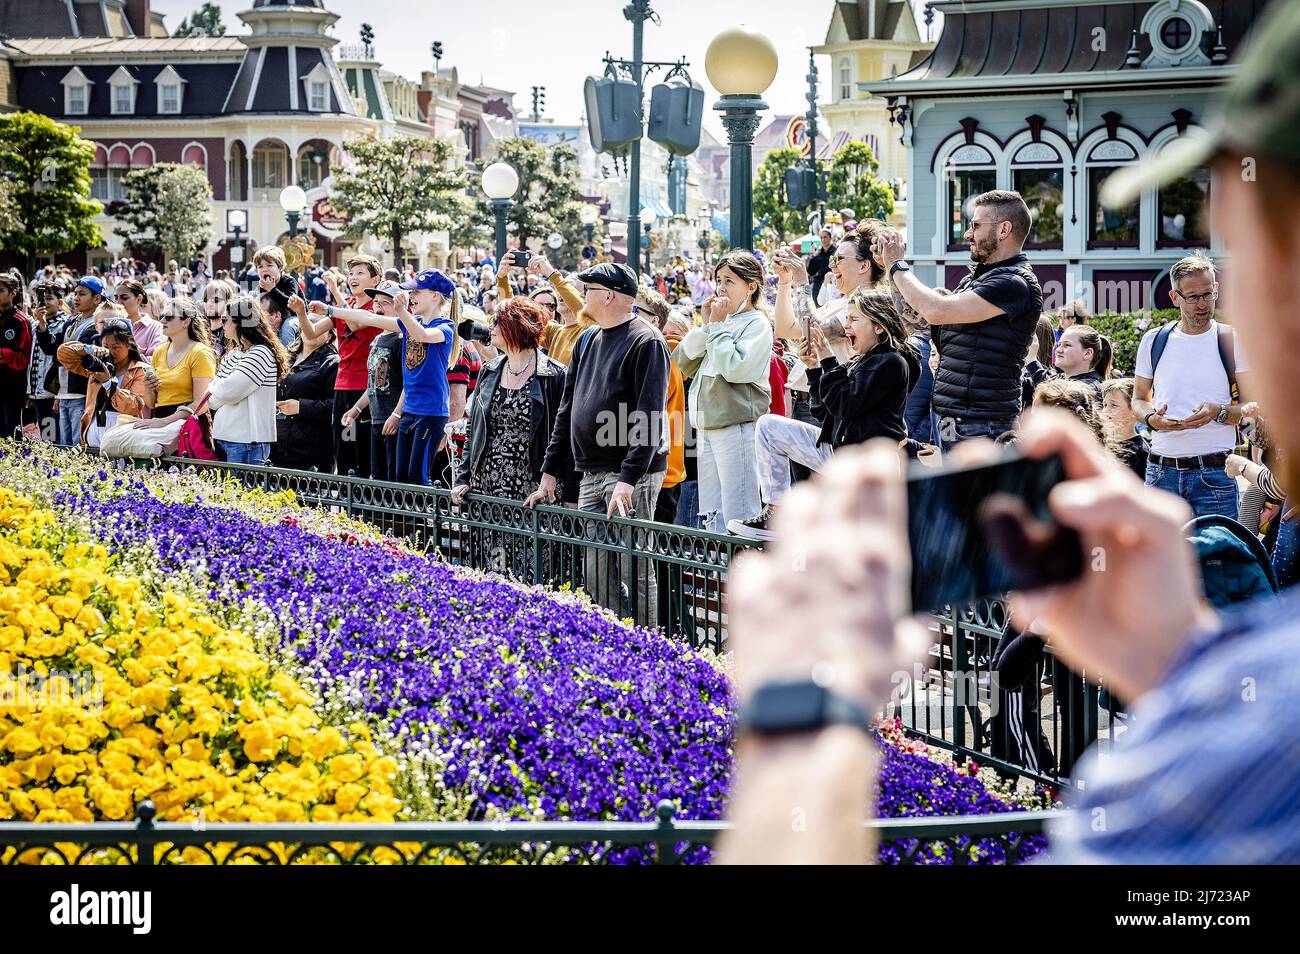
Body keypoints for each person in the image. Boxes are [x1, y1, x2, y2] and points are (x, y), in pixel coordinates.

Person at [719, 0, 1300, 865]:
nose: (1205, 296)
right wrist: (1184, 665)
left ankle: (999, 683)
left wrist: (801, 719)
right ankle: (1009, 678)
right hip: (962, 428)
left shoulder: (1215, 785)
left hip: (990, 428)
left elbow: (942, 310)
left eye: (1229, 251)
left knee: (987, 575)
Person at [526, 262, 670, 626]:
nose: (580, 295)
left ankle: (648, 643)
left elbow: (650, 415)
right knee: (595, 570)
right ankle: (614, 638)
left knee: (635, 566)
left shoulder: (647, 340)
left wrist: (629, 477)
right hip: (590, 472)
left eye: (587, 289)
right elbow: (567, 407)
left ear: (609, 295)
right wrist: (550, 471)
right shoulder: (588, 338)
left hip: (629, 476)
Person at [733, 288, 920, 541]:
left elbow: (846, 404)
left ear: (878, 326)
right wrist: (813, 370)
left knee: (860, 542)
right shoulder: (862, 360)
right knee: (768, 427)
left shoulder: (891, 361)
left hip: (867, 464)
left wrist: (828, 360)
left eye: (854, 319)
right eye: (847, 319)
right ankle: (776, 512)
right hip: (839, 452)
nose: (846, 326)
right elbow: (824, 411)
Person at [876, 191, 1043, 450]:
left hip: (982, 422)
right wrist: (890, 269)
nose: (967, 234)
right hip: (956, 418)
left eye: (976, 226)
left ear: (1004, 230)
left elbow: (935, 309)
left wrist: (898, 265)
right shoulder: (976, 280)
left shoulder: (1013, 283)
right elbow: (919, 318)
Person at [309, 269, 459, 485]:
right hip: (410, 411)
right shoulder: (410, 321)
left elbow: (422, 335)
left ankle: (424, 519)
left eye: (417, 292)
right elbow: (368, 317)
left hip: (431, 413)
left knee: (417, 476)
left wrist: (402, 312)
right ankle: (405, 519)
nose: (413, 296)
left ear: (435, 295)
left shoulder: (445, 327)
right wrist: (331, 309)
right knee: (400, 478)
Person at [451, 297, 567, 576]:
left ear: (516, 327)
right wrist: (464, 477)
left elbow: (563, 435)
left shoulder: (553, 375)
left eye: (497, 322)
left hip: (532, 488)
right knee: (491, 567)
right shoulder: (491, 371)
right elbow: (474, 429)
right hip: (488, 486)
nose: (490, 328)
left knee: (533, 570)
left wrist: (560, 483)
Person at [1131, 253, 1248, 520]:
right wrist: (1152, 418)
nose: (1203, 304)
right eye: (1193, 297)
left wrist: (1217, 411)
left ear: (1216, 289)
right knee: (1160, 561)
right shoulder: (1154, 340)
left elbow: (1252, 407)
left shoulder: (1232, 340)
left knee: (1218, 561)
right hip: (1160, 473)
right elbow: (1138, 399)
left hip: (1215, 473)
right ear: (1175, 298)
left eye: (1208, 294)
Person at [670, 250, 771, 535]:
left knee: (739, 511)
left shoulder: (757, 323)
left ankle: (741, 574)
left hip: (737, 426)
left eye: (730, 281)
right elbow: (683, 361)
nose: (721, 288)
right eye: (718, 280)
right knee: (711, 512)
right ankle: (717, 573)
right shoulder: (720, 320)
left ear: (751, 286)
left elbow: (736, 369)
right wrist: (706, 325)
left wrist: (715, 327)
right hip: (707, 426)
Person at [319, 255, 384, 478]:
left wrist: (335, 293)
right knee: (344, 447)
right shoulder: (344, 305)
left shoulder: (376, 307)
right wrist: (299, 310)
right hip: (342, 386)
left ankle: (362, 507)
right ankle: (346, 505)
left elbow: (355, 323)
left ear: (375, 280)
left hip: (363, 388)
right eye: (351, 273)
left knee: (360, 450)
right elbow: (310, 334)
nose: (353, 277)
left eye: (360, 273)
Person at [206, 297, 289, 465]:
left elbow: (227, 392)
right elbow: (212, 400)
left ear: (240, 322)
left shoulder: (261, 353)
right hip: (225, 437)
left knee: (241, 491)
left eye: (225, 319)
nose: (222, 324)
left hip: (247, 441)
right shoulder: (233, 353)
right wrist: (217, 389)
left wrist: (217, 388)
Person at [335, 281, 403, 481]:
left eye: (386, 302)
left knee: (394, 481)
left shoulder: (403, 339)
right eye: (376, 302)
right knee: (378, 478)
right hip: (377, 418)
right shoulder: (377, 339)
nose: (379, 308)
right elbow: (375, 382)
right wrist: (356, 408)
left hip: (394, 420)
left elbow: (410, 384)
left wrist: (397, 414)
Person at [55, 318, 157, 448]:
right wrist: (88, 349)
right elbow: (63, 354)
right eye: (106, 346)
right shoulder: (98, 366)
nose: (110, 351)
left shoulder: (140, 369)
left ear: (129, 345)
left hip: (123, 434)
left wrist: (108, 383)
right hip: (93, 431)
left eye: (115, 347)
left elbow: (134, 406)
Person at [133, 297, 215, 438]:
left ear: (186, 322)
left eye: (169, 317)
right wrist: (148, 387)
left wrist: (164, 422)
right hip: (161, 421)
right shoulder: (159, 351)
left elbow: (201, 404)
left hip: (190, 427)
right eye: (162, 316)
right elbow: (151, 403)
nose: (163, 320)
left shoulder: (200, 352)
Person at [36, 275, 103, 446]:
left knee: (76, 442)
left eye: (82, 294)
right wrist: (42, 325)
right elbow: (52, 349)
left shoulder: (96, 323)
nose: (76, 298)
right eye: (75, 294)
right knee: (63, 443)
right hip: (64, 392)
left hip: (81, 391)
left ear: (96, 298)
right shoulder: (72, 320)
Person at [273, 303, 338, 473]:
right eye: (309, 322)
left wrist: (301, 407)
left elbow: (336, 406)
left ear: (330, 334)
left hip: (311, 450)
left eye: (319, 325)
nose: (312, 328)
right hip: (277, 446)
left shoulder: (332, 363)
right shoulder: (285, 357)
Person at [0, 273, 32, 440]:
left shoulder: (20, 321)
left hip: (12, 388)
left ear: (13, 293)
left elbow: (24, 358)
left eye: (0, 290)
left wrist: (3, 354)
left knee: (12, 436)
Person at [1102, 377, 1148, 479]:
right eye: (1105, 405)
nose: (1105, 411)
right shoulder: (1102, 444)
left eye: (1113, 405)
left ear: (1134, 411)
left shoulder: (1141, 452)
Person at [1053, 324, 1112, 403]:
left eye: (1067, 345)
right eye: (1059, 344)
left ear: (1087, 353)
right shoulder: (1059, 378)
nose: (1058, 350)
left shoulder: (1089, 389)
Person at [111, 279, 163, 359]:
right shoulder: (109, 325)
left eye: (124, 298)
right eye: (116, 298)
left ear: (139, 299)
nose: (118, 303)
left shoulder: (155, 328)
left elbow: (155, 360)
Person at [806, 228, 835, 302]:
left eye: (825, 237)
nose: (823, 240)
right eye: (821, 237)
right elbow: (811, 271)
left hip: (832, 285)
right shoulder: (817, 254)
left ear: (830, 238)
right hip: (818, 285)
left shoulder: (836, 252)